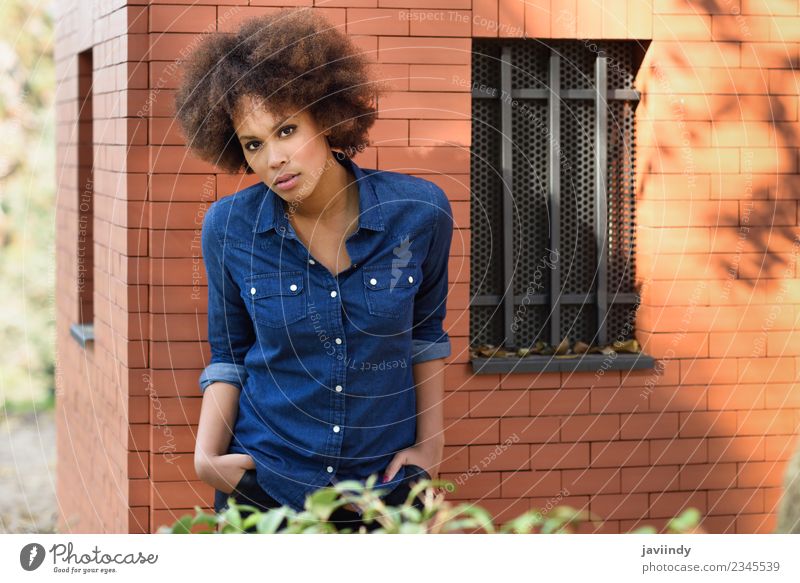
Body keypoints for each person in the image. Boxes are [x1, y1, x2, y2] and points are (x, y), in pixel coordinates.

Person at [173, 8, 453, 533]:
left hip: (385, 493)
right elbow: (230, 355)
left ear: (326, 116)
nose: (274, 158)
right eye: (254, 143)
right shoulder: (228, 228)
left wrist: (430, 447)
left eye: (286, 129)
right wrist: (206, 460)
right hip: (265, 490)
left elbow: (424, 336)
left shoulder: (420, 214)